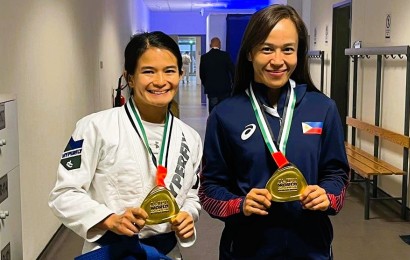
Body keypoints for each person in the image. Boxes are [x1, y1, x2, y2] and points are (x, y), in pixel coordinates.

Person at [199, 4, 350, 259]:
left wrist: (328, 195)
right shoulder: (224, 115)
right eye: (267, 49)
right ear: (249, 53)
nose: (277, 61)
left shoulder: (323, 108)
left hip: (311, 249)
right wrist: (241, 204)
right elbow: (209, 189)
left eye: (287, 50)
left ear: (298, 53)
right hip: (247, 250)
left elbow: (336, 174)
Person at [49, 31, 203, 259]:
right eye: (148, 71)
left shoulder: (190, 137)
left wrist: (188, 215)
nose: (160, 81)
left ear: (181, 75)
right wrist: (109, 219)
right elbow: (64, 194)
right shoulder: (96, 127)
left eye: (169, 71)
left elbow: (191, 193)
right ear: (129, 77)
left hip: (167, 252)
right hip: (111, 251)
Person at [200, 37, 235, 113]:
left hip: (211, 89)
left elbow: (202, 74)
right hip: (224, 89)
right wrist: (232, 84)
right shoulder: (225, 56)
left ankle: (213, 124)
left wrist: (206, 85)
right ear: (220, 45)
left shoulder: (204, 57)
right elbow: (232, 70)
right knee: (225, 111)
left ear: (210, 45)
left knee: (213, 111)